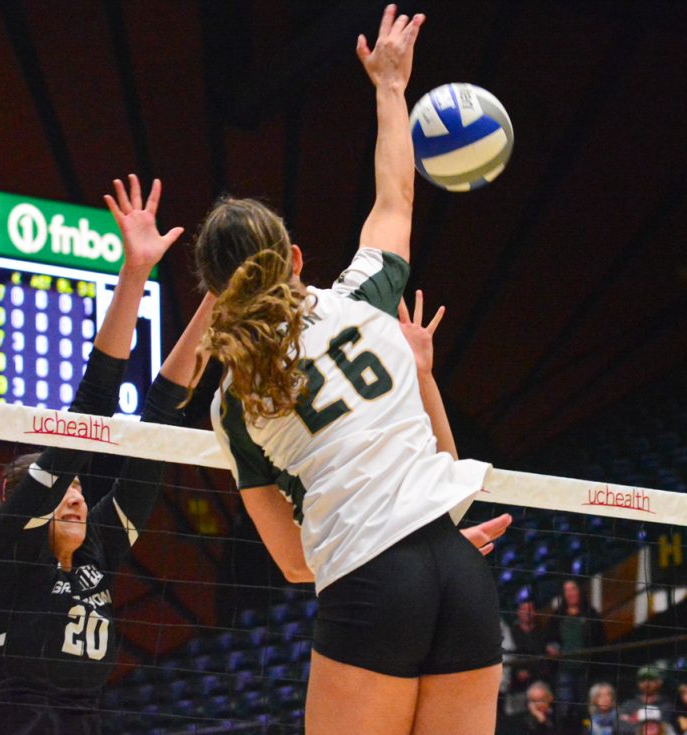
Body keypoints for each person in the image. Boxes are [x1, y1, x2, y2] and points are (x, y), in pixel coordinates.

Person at [199, 7, 510, 734]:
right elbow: (395, 197)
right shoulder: (365, 299)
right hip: (459, 572)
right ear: (297, 259)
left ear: (214, 295)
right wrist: (391, 87)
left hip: (372, 585)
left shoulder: (236, 401)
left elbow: (291, 560)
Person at [0, 176, 204, 733]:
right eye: (65, 487)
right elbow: (93, 404)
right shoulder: (9, 544)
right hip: (8, 717)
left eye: (79, 492)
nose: (76, 497)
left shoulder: (100, 548)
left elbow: (161, 422)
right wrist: (135, 272)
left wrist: (218, 293)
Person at [546, 579, 607, 730]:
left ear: (579, 591)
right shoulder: (557, 617)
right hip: (564, 670)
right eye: (566, 590)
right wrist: (551, 648)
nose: (570, 593)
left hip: (587, 670)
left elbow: (601, 641)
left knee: (585, 709)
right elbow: (549, 640)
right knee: (564, 709)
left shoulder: (591, 614)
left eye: (572, 589)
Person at [504, 599, 555, 717]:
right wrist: (518, 672)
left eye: (530, 609)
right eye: (524, 609)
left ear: (535, 613)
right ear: (518, 612)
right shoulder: (512, 633)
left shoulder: (543, 632)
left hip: (539, 683)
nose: (527, 613)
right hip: (517, 686)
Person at [619, 667, 674, 735]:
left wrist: (633, 720)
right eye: (642, 680)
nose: (646, 683)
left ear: (659, 682)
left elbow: (665, 729)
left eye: (651, 679)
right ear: (638, 683)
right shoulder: (628, 705)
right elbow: (619, 727)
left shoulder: (667, 706)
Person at [500, 681, 567, 735]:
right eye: (532, 701)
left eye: (539, 701)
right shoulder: (523, 719)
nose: (535, 705)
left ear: (550, 698)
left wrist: (543, 722)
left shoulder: (559, 715)